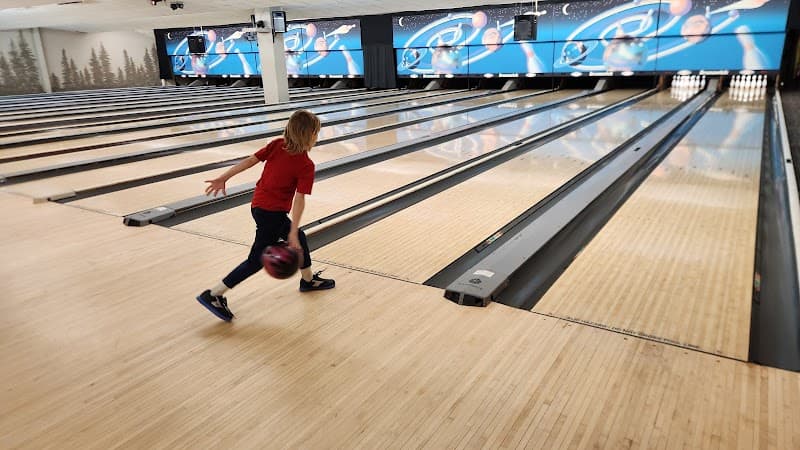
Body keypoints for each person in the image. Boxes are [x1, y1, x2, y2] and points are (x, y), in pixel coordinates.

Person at [196, 109, 335, 321]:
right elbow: (299, 200)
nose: (317, 137)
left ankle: (307, 281)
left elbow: (249, 161)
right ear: (308, 135)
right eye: (316, 133)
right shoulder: (306, 165)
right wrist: (293, 232)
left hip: (258, 207)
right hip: (272, 214)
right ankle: (213, 294)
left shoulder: (277, 144)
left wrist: (223, 177)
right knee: (256, 260)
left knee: (301, 237)